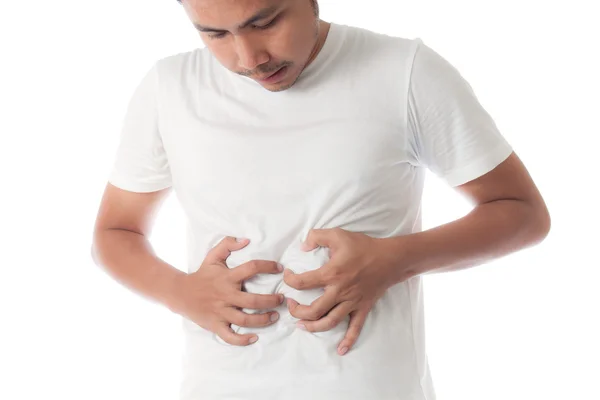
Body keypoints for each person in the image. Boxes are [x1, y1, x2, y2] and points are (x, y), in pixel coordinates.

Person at [91, 0, 551, 399]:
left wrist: (396, 258)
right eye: (215, 34)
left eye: (265, 22)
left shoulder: (404, 70)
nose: (249, 58)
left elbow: (522, 212)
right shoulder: (170, 87)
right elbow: (115, 233)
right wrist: (181, 291)